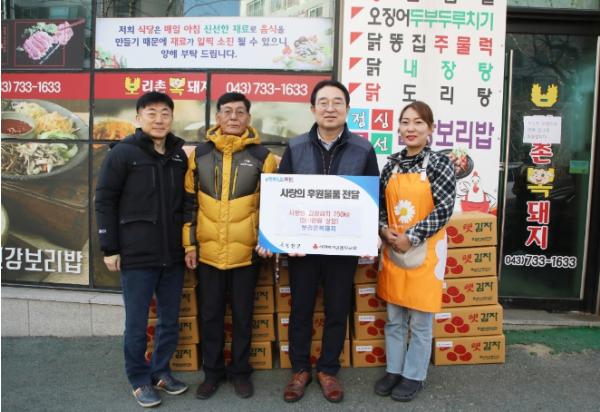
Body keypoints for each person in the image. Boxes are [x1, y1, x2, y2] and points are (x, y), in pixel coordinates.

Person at [276, 80, 379, 403]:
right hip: (302, 248)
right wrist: (284, 238)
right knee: (301, 309)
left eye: (337, 102)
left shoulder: (363, 149)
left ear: (347, 109)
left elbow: (372, 198)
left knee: (337, 308)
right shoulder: (295, 147)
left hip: (343, 247)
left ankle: (328, 369)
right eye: (323, 102)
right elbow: (281, 196)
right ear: (313, 109)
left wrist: (369, 234)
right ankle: (300, 369)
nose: (330, 108)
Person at [95, 91, 189, 408]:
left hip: (172, 254)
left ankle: (160, 371)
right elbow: (104, 200)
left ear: (171, 118)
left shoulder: (178, 156)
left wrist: (188, 245)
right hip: (136, 254)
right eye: (151, 113)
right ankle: (139, 379)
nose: (159, 119)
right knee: (136, 325)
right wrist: (109, 247)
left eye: (165, 113)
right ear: (138, 118)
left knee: (169, 320)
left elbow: (186, 203)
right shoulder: (123, 153)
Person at [182, 92, 278, 400]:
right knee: (210, 316)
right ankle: (212, 373)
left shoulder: (264, 157)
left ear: (249, 118)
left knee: (242, 316)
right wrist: (189, 246)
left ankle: (240, 372)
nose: (233, 117)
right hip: (208, 253)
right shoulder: (199, 155)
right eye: (227, 111)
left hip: (246, 254)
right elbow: (189, 204)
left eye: (240, 112)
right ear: (218, 117)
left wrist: (267, 241)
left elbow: (272, 207)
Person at [374, 101, 456, 402]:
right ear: (398, 128)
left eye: (419, 122)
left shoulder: (439, 163)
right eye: (405, 122)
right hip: (393, 250)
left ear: (430, 129)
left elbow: (444, 208)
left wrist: (412, 236)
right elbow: (379, 207)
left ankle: (414, 375)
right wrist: (384, 230)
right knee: (394, 317)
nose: (411, 128)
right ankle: (394, 370)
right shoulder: (391, 165)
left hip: (425, 251)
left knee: (420, 322)